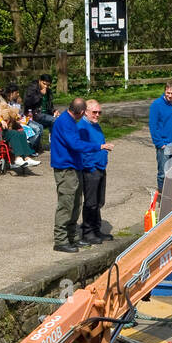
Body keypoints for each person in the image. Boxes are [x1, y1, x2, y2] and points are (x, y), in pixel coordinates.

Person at [50, 96, 86, 252]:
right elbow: (75, 144)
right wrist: (99, 146)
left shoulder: (70, 121)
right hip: (65, 168)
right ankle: (61, 240)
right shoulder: (65, 122)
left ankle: (72, 236)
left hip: (73, 167)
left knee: (76, 202)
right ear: (82, 112)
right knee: (66, 203)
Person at [78, 99, 114, 245]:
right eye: (94, 112)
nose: (97, 115)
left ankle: (96, 228)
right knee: (91, 202)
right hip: (91, 169)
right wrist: (91, 167)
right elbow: (82, 149)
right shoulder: (82, 127)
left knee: (99, 201)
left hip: (100, 167)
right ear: (86, 112)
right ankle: (88, 232)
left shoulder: (96, 125)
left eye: (99, 112)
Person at [149, 79, 172, 192]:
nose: (170, 95)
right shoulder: (156, 105)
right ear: (165, 90)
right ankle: (162, 196)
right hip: (164, 145)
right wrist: (160, 144)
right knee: (162, 174)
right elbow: (153, 126)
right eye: (168, 93)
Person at [0, 102, 40, 168]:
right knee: (14, 133)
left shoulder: (2, 106)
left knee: (21, 133)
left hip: (6, 128)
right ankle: (18, 158)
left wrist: (16, 117)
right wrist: (1, 120)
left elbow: (12, 113)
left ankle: (27, 158)